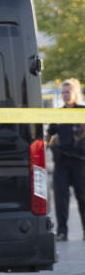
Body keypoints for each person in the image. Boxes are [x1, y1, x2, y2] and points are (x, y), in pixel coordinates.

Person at [47, 78, 85, 241]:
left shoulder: (82, 111)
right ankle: (62, 232)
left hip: (80, 161)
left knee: (83, 197)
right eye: (63, 92)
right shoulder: (58, 113)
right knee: (61, 199)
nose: (65, 95)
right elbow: (50, 134)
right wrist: (48, 144)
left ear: (75, 93)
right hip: (62, 161)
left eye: (68, 91)